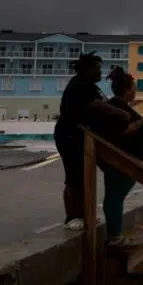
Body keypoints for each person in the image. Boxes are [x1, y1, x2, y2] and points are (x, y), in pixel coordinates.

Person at [53, 53, 131, 230]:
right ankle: (73, 216)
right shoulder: (79, 85)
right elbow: (96, 106)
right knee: (74, 177)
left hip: (83, 137)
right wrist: (121, 114)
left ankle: (85, 213)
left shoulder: (90, 87)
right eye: (96, 69)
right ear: (87, 70)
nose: (99, 72)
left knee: (85, 176)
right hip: (69, 136)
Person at [101, 67, 143, 246]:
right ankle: (114, 237)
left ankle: (114, 235)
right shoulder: (115, 107)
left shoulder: (118, 106)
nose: (135, 91)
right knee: (114, 197)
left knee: (114, 197)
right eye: (133, 88)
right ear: (126, 90)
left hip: (126, 160)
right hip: (121, 161)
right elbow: (122, 130)